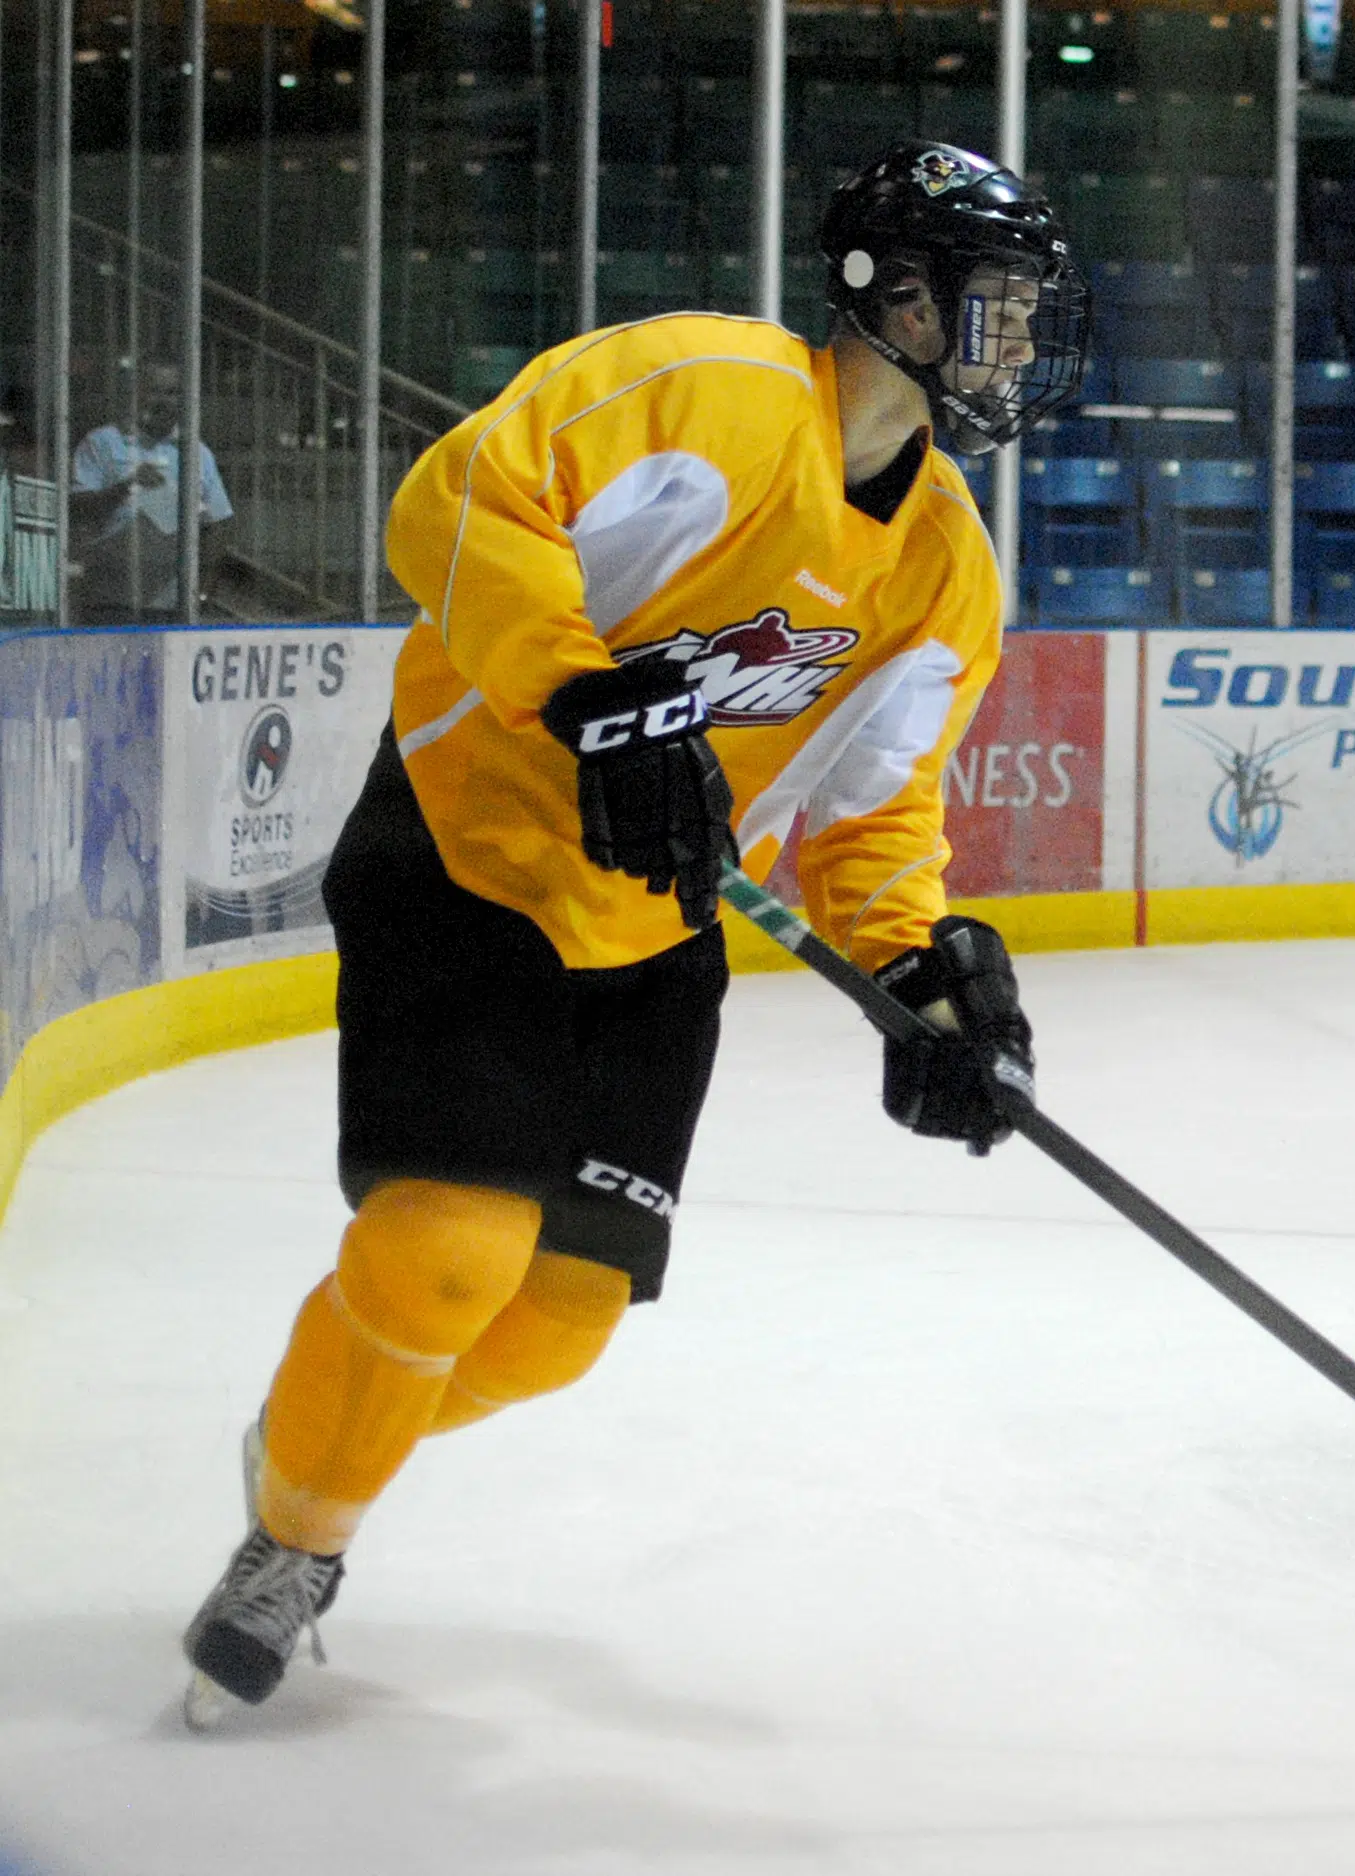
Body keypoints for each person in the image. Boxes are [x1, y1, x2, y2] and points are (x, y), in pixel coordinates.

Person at [178, 140, 1090, 1727]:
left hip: (654, 927)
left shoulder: (947, 568)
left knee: (554, 1329)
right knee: (448, 1251)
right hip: (464, 854)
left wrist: (915, 972)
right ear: (886, 294)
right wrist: (580, 687)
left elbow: (874, 814)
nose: (1011, 340)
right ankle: (297, 1534)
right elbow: (455, 497)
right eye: (986, 303)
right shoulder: (699, 390)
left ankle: (317, 1428)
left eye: (1024, 311)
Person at [68, 362, 233, 617]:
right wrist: (127, 486)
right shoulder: (102, 442)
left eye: (172, 393)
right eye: (155, 391)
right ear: (136, 393)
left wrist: (201, 594)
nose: (165, 401)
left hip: (171, 603)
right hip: (110, 598)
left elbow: (219, 526)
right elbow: (77, 510)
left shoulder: (197, 453)